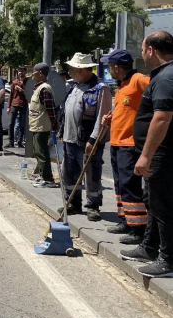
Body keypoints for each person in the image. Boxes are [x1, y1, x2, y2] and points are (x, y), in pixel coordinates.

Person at [120, 31, 173, 278]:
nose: (141, 54)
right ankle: (150, 247)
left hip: (160, 154)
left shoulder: (165, 78)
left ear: (151, 49)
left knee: (163, 206)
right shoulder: (163, 75)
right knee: (153, 201)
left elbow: (162, 117)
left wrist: (146, 155)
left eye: (142, 49)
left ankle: (168, 260)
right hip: (157, 153)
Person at [99, 49, 150, 245]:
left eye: (110, 66)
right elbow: (127, 110)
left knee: (130, 186)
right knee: (120, 184)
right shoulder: (122, 86)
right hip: (117, 142)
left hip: (130, 144)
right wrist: (112, 117)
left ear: (116, 67)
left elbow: (157, 95)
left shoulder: (138, 79)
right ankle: (125, 220)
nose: (109, 70)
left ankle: (138, 229)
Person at [61, 53, 112, 221]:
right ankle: (73, 202)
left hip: (87, 140)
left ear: (81, 70)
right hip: (70, 139)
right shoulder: (74, 86)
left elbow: (102, 117)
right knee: (69, 173)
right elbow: (67, 112)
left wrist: (93, 140)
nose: (69, 71)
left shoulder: (100, 88)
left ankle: (93, 205)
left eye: (72, 68)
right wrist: (62, 132)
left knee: (91, 174)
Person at [28, 63, 60, 188]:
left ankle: (48, 179)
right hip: (37, 125)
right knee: (38, 152)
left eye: (34, 72)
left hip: (42, 126)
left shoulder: (44, 89)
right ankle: (41, 176)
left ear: (40, 73)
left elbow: (51, 109)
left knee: (42, 153)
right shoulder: (39, 88)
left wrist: (54, 124)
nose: (32, 74)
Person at [7, 67, 29, 148]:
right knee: (11, 123)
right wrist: (8, 106)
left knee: (22, 124)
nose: (20, 73)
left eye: (22, 71)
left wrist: (21, 90)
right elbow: (11, 95)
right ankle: (11, 142)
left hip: (23, 105)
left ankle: (20, 141)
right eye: (19, 71)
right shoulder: (14, 82)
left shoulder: (28, 82)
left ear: (25, 72)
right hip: (14, 104)